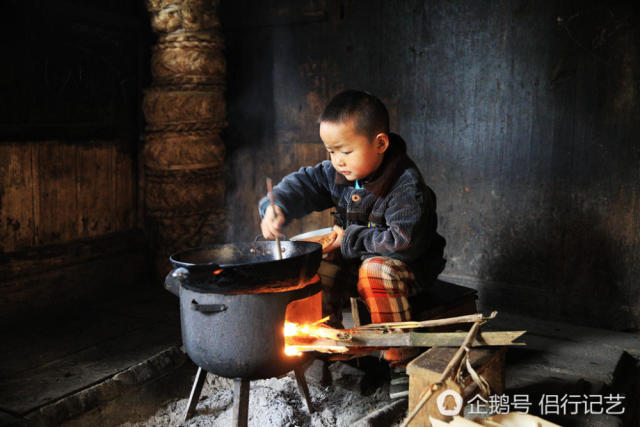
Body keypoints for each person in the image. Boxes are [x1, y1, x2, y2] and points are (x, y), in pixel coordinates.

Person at [259, 90, 446, 397]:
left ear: (380, 144)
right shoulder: (339, 171)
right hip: (357, 256)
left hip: (406, 267)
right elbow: (304, 183)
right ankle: (327, 345)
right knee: (315, 264)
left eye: (345, 151)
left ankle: (400, 362)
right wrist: (275, 207)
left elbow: (403, 243)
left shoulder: (406, 186)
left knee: (376, 270)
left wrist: (349, 239)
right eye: (330, 152)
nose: (337, 161)